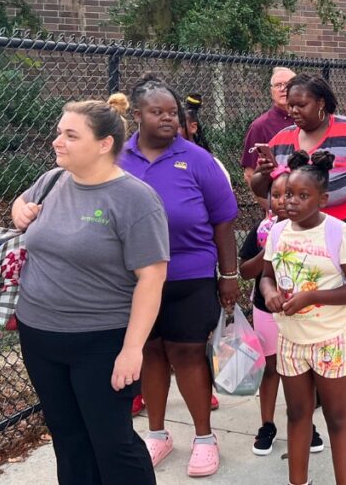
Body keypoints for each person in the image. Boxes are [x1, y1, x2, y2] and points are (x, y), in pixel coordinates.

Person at [12, 97, 169, 485]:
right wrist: (19, 209)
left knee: (112, 443)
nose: (57, 142)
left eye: (70, 135)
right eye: (58, 133)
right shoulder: (52, 181)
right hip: (40, 336)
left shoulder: (135, 199)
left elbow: (152, 277)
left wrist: (133, 349)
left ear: (104, 145)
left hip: (101, 342)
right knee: (68, 439)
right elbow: (23, 203)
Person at [249, 73, 346, 432]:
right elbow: (260, 185)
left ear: (322, 104)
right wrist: (265, 174)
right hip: (302, 255)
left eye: (300, 104)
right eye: (290, 104)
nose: (293, 110)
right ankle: (321, 385)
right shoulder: (282, 140)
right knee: (312, 318)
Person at [118, 76, 240, 477]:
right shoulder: (118, 158)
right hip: (135, 279)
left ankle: (204, 438)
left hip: (190, 275)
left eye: (173, 112)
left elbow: (224, 222)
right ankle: (157, 433)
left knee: (187, 353)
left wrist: (229, 275)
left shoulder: (198, 159)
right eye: (158, 112)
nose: (168, 119)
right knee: (150, 352)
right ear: (137, 115)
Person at [259, 151, 346, 485]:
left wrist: (314, 297)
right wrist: (269, 293)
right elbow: (266, 275)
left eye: (302, 196)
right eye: (288, 194)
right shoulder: (278, 232)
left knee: (338, 418)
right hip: (292, 339)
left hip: (332, 338)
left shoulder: (339, 233)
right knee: (297, 414)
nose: (291, 202)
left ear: (322, 199)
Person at [238, 170, 324, 457]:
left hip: (305, 313)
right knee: (272, 368)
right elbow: (245, 271)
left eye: (292, 195)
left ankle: (306, 423)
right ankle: (267, 424)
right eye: (276, 195)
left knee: (303, 369)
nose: (283, 201)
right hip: (268, 309)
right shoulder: (263, 230)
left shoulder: (316, 231)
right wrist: (270, 249)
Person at [242, 67, 297, 191]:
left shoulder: (308, 121)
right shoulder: (260, 126)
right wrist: (269, 206)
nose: (283, 89)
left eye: (288, 84)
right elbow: (250, 174)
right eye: (278, 85)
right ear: (272, 91)